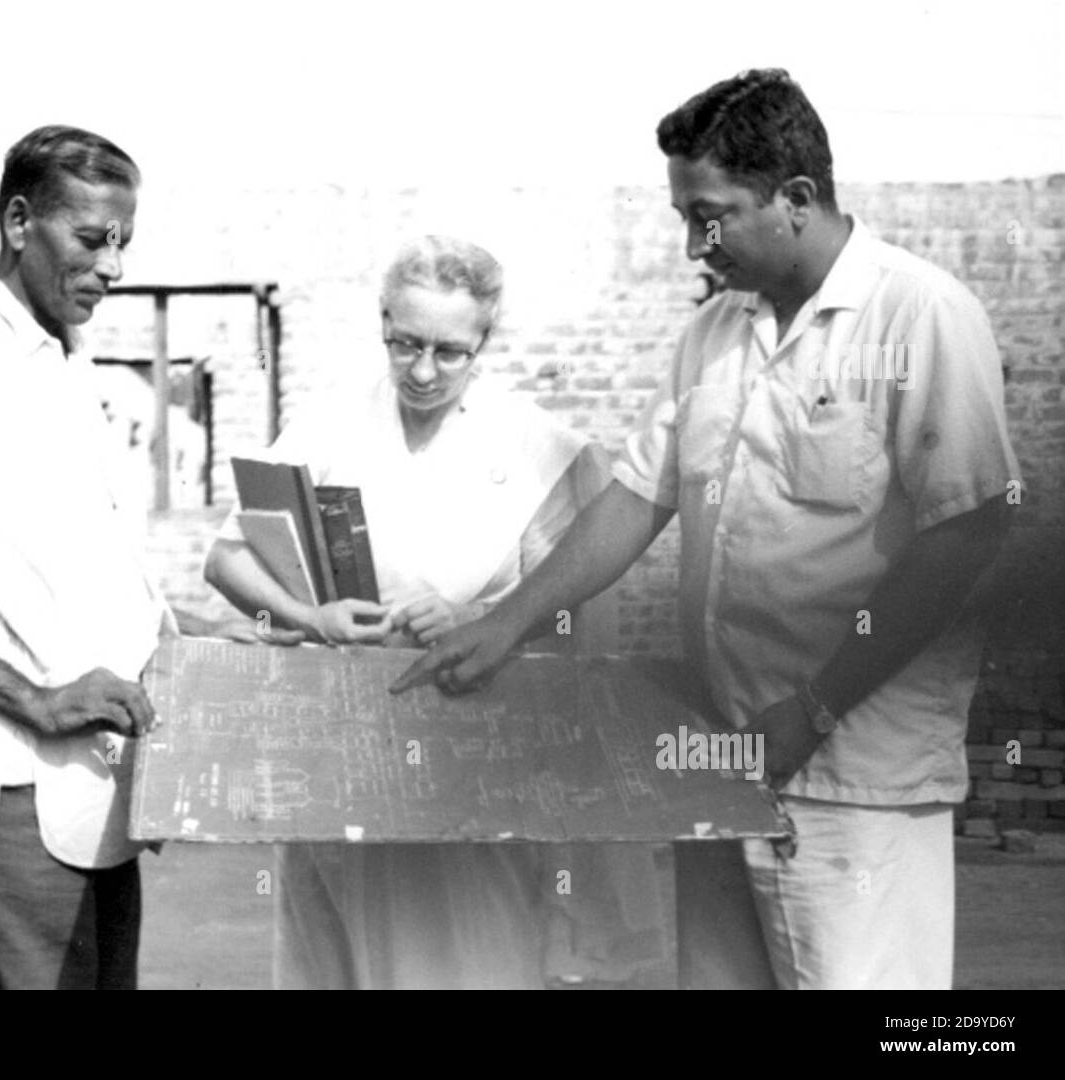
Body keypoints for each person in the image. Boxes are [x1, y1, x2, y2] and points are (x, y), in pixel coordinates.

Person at [395, 70, 1022, 990]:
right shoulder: (717, 333)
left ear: (797, 199)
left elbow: (965, 535)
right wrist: (507, 622)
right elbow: (640, 497)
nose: (694, 244)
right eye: (686, 217)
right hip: (722, 757)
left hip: (852, 777)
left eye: (711, 216)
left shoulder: (920, 315)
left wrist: (813, 711)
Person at [0, 125, 273, 990]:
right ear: (17, 220)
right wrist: (36, 702)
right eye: (91, 238)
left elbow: (87, 591)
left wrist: (231, 644)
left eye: (124, 242)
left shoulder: (70, 365)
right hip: (6, 805)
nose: (113, 265)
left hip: (98, 801)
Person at [205, 235, 663, 989]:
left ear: (485, 338)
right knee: (333, 967)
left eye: (449, 352)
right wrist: (307, 616)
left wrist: (483, 617)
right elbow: (226, 558)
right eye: (405, 343)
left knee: (457, 967)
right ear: (382, 321)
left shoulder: (534, 445)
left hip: (468, 764)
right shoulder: (332, 422)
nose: (422, 370)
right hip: (339, 754)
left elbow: (585, 620)